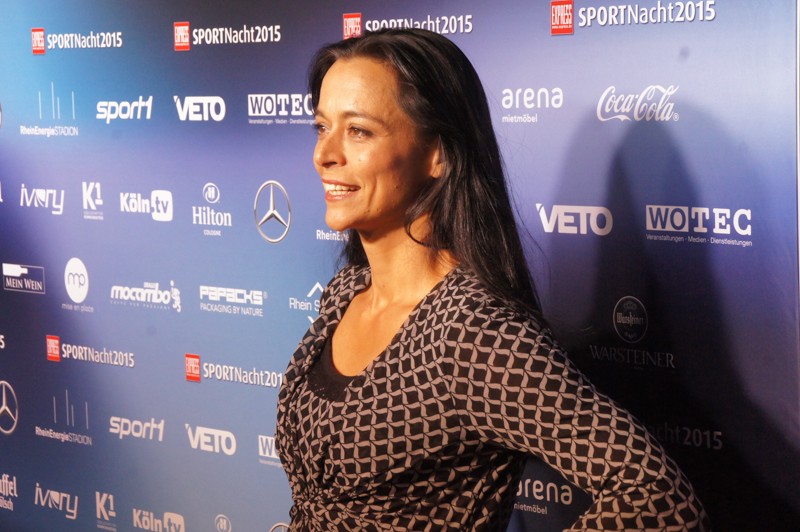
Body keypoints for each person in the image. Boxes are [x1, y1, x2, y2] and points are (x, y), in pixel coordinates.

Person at [276, 28, 709, 531]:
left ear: (438, 153)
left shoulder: (472, 334)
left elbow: (657, 496)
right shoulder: (345, 293)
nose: (324, 154)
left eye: (359, 131)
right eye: (322, 127)